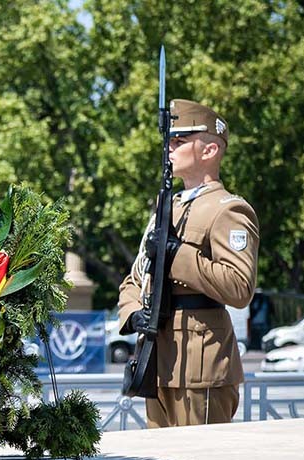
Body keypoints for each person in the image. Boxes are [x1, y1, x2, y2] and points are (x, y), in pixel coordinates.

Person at [119, 99, 259, 427]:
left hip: (201, 364)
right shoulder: (168, 208)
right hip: (156, 359)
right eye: (169, 141)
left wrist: (177, 255)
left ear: (209, 150)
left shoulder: (228, 210)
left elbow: (239, 287)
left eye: (179, 142)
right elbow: (136, 276)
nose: (169, 148)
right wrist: (131, 314)